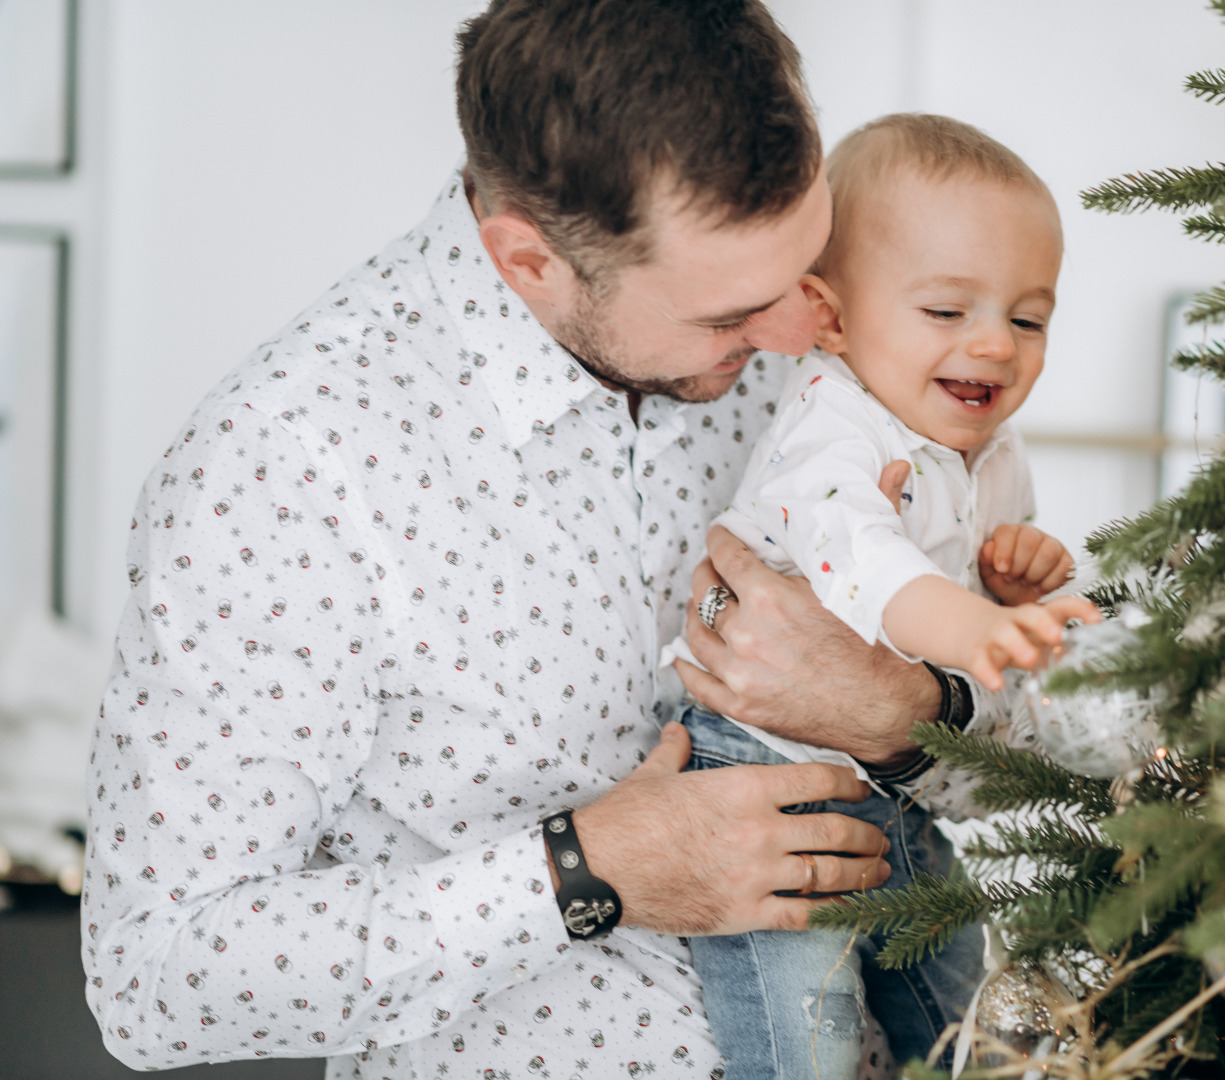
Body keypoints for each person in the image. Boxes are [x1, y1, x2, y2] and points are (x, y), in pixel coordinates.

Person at [82, 3, 993, 1076]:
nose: (804, 336)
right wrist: (580, 873)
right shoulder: (285, 465)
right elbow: (155, 981)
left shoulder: (830, 344)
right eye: (729, 317)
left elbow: (1059, 760)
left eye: (810, 267)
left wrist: (910, 716)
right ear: (528, 262)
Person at [668, 114, 1092, 1079]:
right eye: (947, 312)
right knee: (802, 1036)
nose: (994, 344)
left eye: (1028, 319)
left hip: (895, 783)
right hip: (763, 781)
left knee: (966, 1013)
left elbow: (962, 597)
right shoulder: (827, 422)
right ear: (831, 317)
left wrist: (1005, 579)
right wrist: (987, 628)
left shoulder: (993, 449)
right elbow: (867, 568)